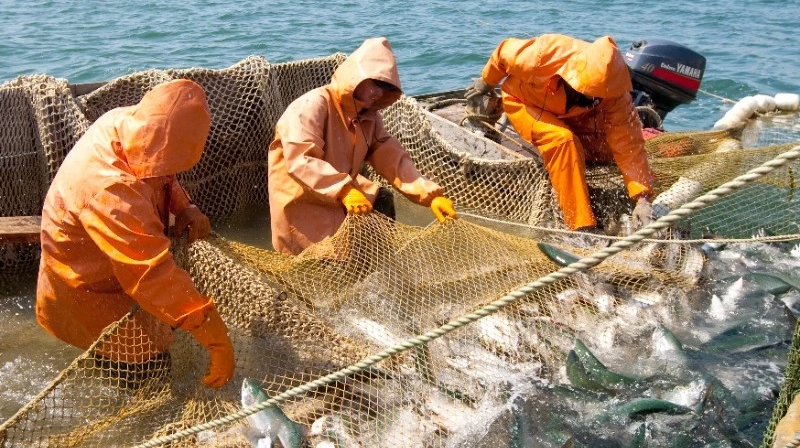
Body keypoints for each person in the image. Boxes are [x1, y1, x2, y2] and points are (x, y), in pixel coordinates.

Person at [36, 79, 234, 389]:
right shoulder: (112, 189)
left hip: (116, 264)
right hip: (87, 287)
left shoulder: (126, 123)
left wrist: (184, 206)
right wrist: (215, 337)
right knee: (148, 372)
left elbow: (159, 168)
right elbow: (151, 274)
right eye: (166, 167)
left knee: (156, 336)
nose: (169, 174)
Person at [268, 37, 457, 256]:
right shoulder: (312, 105)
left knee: (382, 200)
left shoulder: (369, 117)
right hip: (302, 198)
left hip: (342, 190)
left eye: (386, 88)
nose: (379, 92)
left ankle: (376, 271)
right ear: (356, 76)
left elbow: (389, 155)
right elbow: (301, 160)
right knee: (320, 259)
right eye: (375, 83)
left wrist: (430, 195)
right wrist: (345, 190)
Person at [466, 34, 655, 232]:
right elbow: (503, 52)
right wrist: (486, 82)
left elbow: (629, 144)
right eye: (586, 91)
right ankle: (580, 227)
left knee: (606, 151)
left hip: (574, 114)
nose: (590, 96)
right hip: (525, 101)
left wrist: (642, 198)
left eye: (597, 95)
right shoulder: (543, 55)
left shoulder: (615, 94)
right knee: (562, 140)